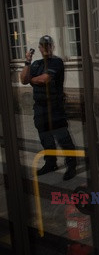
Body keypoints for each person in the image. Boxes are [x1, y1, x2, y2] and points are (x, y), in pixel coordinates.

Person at [20, 35, 77, 181]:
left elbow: (45, 79)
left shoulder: (56, 62)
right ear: (39, 48)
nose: (46, 48)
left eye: (48, 45)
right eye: (43, 45)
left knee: (63, 138)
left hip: (55, 108)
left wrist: (32, 79)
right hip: (40, 108)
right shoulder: (36, 64)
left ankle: (71, 165)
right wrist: (27, 61)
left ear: (52, 47)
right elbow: (23, 79)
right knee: (46, 138)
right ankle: (50, 163)